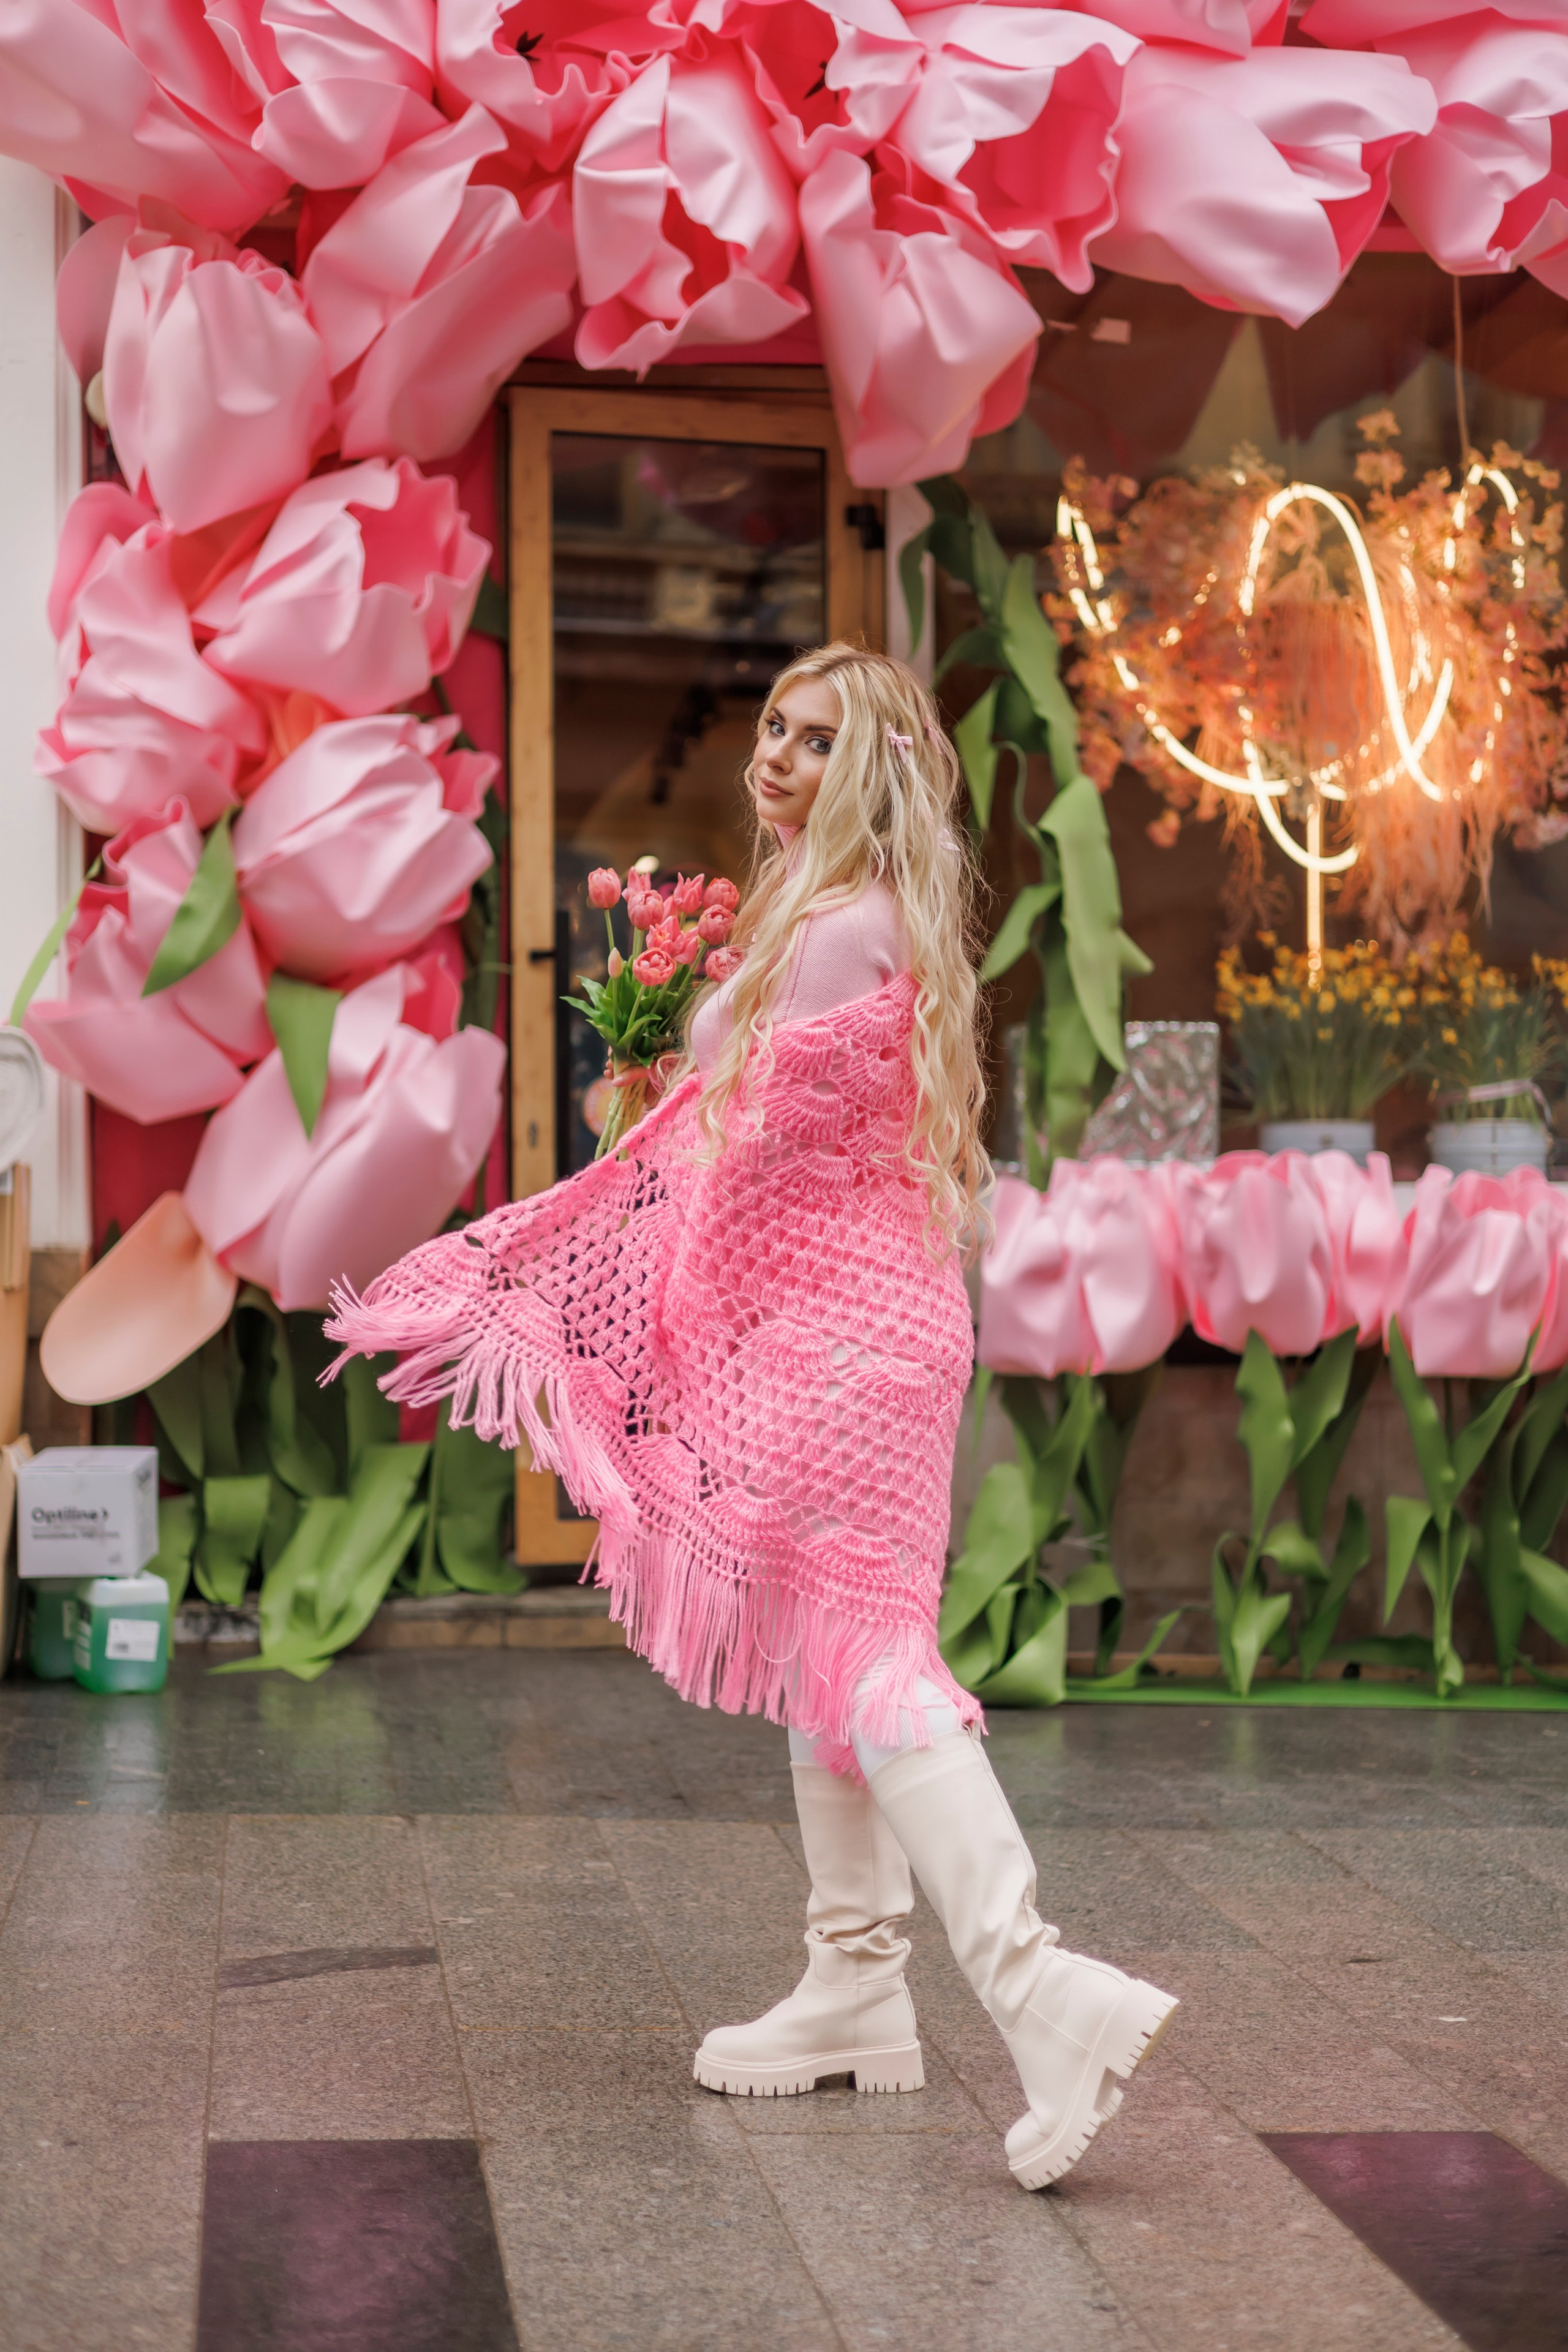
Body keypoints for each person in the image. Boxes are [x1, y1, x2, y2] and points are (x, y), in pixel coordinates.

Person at [326, 641, 1177, 2190]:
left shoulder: (839, 932)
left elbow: (730, 1143)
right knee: (823, 1638)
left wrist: (636, 1117)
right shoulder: (854, 921)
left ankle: (1040, 1986)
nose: (775, 756)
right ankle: (854, 1983)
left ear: (872, 771)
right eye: (772, 728)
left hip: (838, 1348)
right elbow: (740, 1129)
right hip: (868, 1334)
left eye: (815, 739)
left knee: (866, 1658)